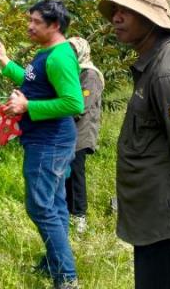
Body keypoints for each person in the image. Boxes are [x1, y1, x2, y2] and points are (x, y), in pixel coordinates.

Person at [99, 0, 170, 288]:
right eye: (116, 9)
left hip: (168, 220)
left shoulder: (167, 73)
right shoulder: (153, 64)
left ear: (151, 19)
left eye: (126, 11)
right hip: (155, 216)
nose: (116, 17)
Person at [0, 0, 84, 289]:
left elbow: (73, 102)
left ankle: (66, 278)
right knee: (55, 203)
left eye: (36, 22)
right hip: (46, 139)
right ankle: (55, 262)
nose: (29, 26)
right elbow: (32, 82)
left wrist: (28, 107)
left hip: (50, 141)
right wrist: (4, 61)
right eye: (30, 20)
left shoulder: (60, 57)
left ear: (54, 25)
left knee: (40, 207)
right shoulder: (46, 52)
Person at [65, 37, 104, 234]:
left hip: (81, 133)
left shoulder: (90, 74)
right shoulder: (75, 72)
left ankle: (79, 216)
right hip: (69, 132)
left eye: (72, 50)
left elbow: (81, 107)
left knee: (76, 174)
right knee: (67, 174)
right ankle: (68, 212)